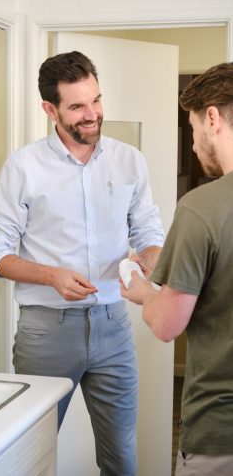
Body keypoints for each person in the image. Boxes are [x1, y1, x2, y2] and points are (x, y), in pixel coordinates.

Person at [0, 50, 163, 475]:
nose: (92, 114)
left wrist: (153, 261)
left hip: (113, 327)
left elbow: (149, 233)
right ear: (50, 109)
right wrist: (50, 276)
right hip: (46, 331)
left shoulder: (129, 160)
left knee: (121, 458)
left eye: (96, 100)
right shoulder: (23, 167)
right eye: (78, 106)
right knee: (28, 455)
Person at [120, 62, 233, 476]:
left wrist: (141, 291)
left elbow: (168, 323)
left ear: (214, 118)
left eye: (192, 128)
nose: (193, 143)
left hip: (220, 433)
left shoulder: (201, 208)